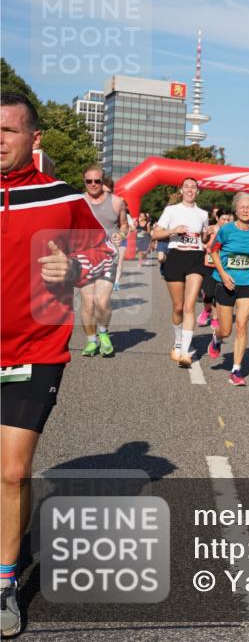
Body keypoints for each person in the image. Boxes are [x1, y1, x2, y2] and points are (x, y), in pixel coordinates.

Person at [1, 93, 115, 638]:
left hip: (34, 348)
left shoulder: (59, 197)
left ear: (34, 139)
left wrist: (72, 264)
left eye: (9, 130)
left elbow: (104, 253)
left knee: (14, 471)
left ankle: (4, 582)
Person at [207, 193, 249, 386]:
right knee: (226, 330)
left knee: (242, 326)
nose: (246, 210)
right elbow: (213, 251)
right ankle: (216, 338)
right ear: (236, 209)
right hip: (225, 284)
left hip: (246, 284)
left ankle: (236, 370)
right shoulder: (226, 230)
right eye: (242, 207)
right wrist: (223, 275)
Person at [152, 177, 210, 368]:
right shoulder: (172, 210)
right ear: (181, 190)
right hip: (176, 256)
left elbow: (203, 238)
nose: (190, 190)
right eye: (187, 187)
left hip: (195, 258)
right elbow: (156, 234)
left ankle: (185, 353)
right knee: (178, 306)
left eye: (193, 187)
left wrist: (208, 234)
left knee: (189, 306)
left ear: (197, 191)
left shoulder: (203, 214)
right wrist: (173, 230)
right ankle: (178, 342)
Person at [78, 165, 129, 358]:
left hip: (108, 256)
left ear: (102, 181)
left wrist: (121, 234)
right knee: (88, 304)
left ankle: (104, 332)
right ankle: (91, 341)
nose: (93, 185)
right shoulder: (78, 202)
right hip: (84, 257)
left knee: (102, 301)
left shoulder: (116, 202)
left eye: (97, 181)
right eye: (88, 181)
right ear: (84, 182)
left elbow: (124, 225)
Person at [198, 208, 232, 331]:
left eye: (228, 219)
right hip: (209, 264)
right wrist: (206, 234)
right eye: (224, 219)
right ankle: (207, 310)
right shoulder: (211, 228)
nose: (226, 221)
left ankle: (215, 319)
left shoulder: (231, 230)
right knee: (208, 294)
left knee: (217, 295)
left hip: (223, 267)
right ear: (217, 218)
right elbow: (204, 241)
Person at [107, 178, 131, 292]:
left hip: (121, 240)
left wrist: (122, 235)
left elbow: (129, 227)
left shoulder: (126, 215)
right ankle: (108, 280)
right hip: (107, 240)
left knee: (119, 261)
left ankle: (116, 282)